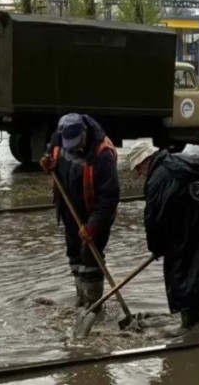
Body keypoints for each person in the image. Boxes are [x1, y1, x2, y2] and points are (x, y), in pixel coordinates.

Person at [125, 142, 199, 332]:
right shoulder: (186, 158)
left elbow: (153, 220)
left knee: (182, 278)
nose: (140, 174)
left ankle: (190, 329)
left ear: (145, 161)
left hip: (190, 234)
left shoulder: (157, 180)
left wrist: (156, 248)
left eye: (138, 168)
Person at [39, 113, 120, 307]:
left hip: (95, 216)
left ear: (84, 132)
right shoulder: (60, 138)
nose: (73, 147)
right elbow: (49, 155)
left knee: (91, 259)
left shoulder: (103, 155)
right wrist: (46, 162)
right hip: (69, 210)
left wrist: (92, 227)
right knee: (75, 255)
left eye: (77, 142)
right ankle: (81, 300)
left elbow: (109, 200)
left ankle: (93, 305)